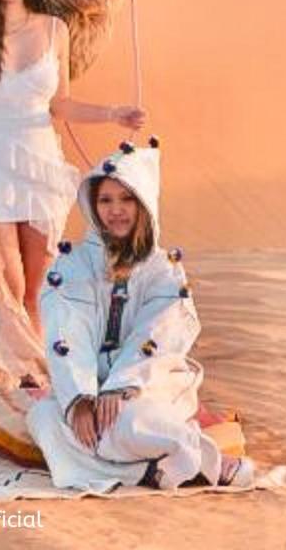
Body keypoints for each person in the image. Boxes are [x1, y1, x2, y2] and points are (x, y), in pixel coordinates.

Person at [0, 0, 145, 433]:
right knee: (2, 284)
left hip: (39, 166)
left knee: (35, 291)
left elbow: (59, 103)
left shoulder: (54, 29)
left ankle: (19, 402)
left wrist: (113, 114)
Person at [26, 141, 255, 491]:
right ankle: (147, 473)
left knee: (129, 421)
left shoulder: (164, 271)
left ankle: (208, 458)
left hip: (147, 385)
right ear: (92, 205)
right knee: (43, 417)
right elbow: (66, 329)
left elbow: (159, 332)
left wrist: (121, 387)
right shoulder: (73, 264)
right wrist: (80, 399)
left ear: (144, 204)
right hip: (89, 385)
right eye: (105, 200)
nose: (115, 210)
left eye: (127, 199)